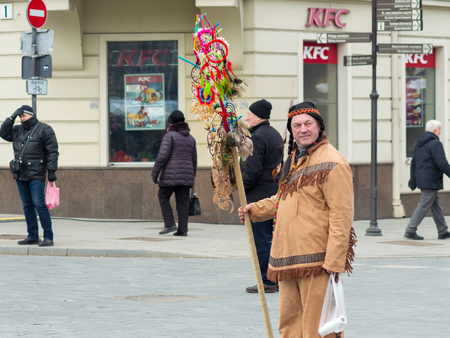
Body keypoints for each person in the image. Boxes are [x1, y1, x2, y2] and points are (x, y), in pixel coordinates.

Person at [238, 102, 355, 338]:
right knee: (290, 328)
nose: (303, 129)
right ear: (291, 130)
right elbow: (283, 200)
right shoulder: (294, 161)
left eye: (308, 124)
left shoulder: (333, 162)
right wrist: (256, 209)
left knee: (319, 329)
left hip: (317, 261)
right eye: (297, 125)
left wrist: (333, 263)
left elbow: (341, 217)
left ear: (319, 127)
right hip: (287, 259)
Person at [0, 105, 59, 247]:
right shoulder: (17, 130)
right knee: (27, 206)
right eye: (20, 117)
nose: (22, 119)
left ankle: (48, 236)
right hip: (21, 172)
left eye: (23, 116)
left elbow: (52, 151)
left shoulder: (45, 129)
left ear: (31, 115)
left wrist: (51, 171)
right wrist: (12, 117)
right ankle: (32, 235)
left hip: (37, 173)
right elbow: (3, 133)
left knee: (39, 204)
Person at [242, 99, 283, 294]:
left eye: (249, 114)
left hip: (259, 196)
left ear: (258, 116)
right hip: (274, 193)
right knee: (273, 238)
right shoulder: (274, 134)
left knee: (262, 240)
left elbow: (252, 169)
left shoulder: (257, 136)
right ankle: (275, 277)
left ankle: (267, 279)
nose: (247, 117)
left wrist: (241, 186)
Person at [152, 110, 197, 236]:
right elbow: (194, 160)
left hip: (171, 175)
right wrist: (191, 177)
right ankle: (183, 230)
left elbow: (162, 156)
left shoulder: (170, 136)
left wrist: (155, 173)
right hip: (186, 176)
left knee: (163, 196)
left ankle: (170, 224)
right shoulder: (191, 138)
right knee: (183, 202)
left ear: (171, 121)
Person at [405, 120, 450, 240]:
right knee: (424, 205)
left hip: (423, 179)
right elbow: (442, 163)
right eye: (439, 130)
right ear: (435, 130)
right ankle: (410, 230)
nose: (440, 133)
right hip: (431, 179)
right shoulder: (436, 144)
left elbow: (413, 163)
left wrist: (413, 179)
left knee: (436, 206)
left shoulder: (419, 144)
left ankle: (443, 231)